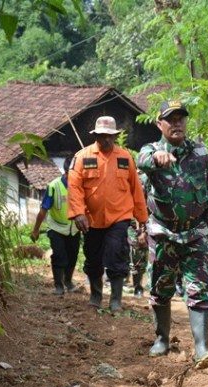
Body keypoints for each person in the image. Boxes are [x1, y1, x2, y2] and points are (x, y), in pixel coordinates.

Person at [137, 100, 208, 370]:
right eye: (170, 119)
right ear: (159, 124)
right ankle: (162, 339)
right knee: (160, 288)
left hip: (195, 233)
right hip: (163, 232)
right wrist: (156, 160)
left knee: (199, 289)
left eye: (181, 118)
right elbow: (140, 163)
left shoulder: (201, 153)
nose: (176, 123)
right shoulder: (151, 150)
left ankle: (201, 348)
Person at [67, 116, 148, 312]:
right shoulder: (82, 157)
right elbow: (74, 188)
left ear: (116, 136)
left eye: (110, 136)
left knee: (116, 254)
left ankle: (116, 300)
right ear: (96, 135)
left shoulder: (125, 157)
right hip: (91, 219)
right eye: (102, 136)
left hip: (119, 217)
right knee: (93, 257)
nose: (106, 140)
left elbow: (136, 189)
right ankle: (96, 296)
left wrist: (142, 219)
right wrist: (78, 213)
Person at [31, 156, 81, 296]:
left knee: (73, 256)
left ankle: (69, 282)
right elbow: (43, 211)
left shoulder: (81, 186)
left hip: (74, 229)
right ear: (66, 172)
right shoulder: (54, 186)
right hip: (57, 228)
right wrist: (35, 230)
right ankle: (58, 285)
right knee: (59, 256)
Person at [128, 172, 149, 298]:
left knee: (138, 253)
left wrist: (142, 229)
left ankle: (138, 287)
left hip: (140, 223)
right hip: (125, 220)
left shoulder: (145, 181)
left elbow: (142, 205)